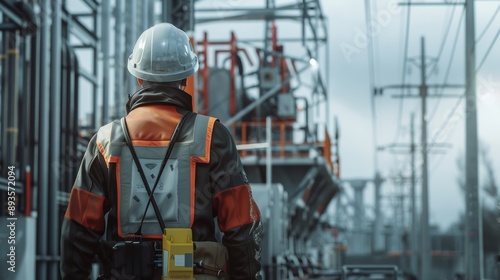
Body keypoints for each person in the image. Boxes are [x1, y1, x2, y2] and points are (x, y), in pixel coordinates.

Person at [60, 22, 263, 279]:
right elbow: (242, 228)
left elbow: (78, 231)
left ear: (139, 76)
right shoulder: (212, 136)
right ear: (185, 78)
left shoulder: (106, 140)